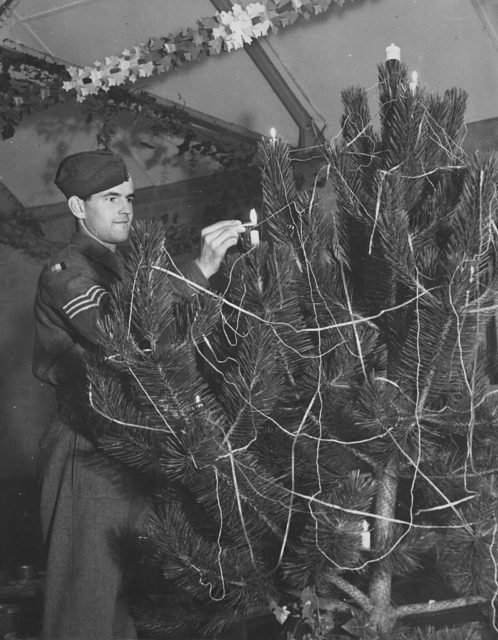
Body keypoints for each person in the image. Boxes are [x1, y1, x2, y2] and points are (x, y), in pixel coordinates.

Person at [32, 149, 245, 640]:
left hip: (136, 447)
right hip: (84, 449)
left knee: (133, 610)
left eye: (129, 197)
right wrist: (200, 269)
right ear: (78, 209)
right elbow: (115, 330)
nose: (125, 208)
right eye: (110, 198)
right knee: (84, 609)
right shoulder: (65, 271)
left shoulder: (128, 270)